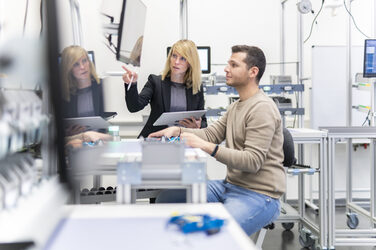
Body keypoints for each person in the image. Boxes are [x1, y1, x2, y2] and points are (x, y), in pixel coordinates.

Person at [149, 45, 286, 236]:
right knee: (166, 199)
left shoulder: (262, 108)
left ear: (252, 72)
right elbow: (210, 134)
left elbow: (253, 161)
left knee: (217, 234)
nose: (226, 69)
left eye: (233, 65)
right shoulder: (235, 107)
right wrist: (177, 130)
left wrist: (205, 147)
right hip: (229, 185)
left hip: (259, 195)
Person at [122, 39, 207, 138]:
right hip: (155, 140)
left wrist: (197, 127)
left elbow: (203, 122)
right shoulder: (155, 82)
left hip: (184, 141)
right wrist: (131, 84)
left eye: (183, 58)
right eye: (174, 56)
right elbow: (134, 107)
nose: (176, 62)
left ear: (190, 63)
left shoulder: (196, 88)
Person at [61, 45, 104, 118]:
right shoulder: (65, 94)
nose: (82, 67)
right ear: (69, 69)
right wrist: (70, 129)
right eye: (76, 64)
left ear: (89, 62)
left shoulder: (102, 87)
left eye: (84, 61)